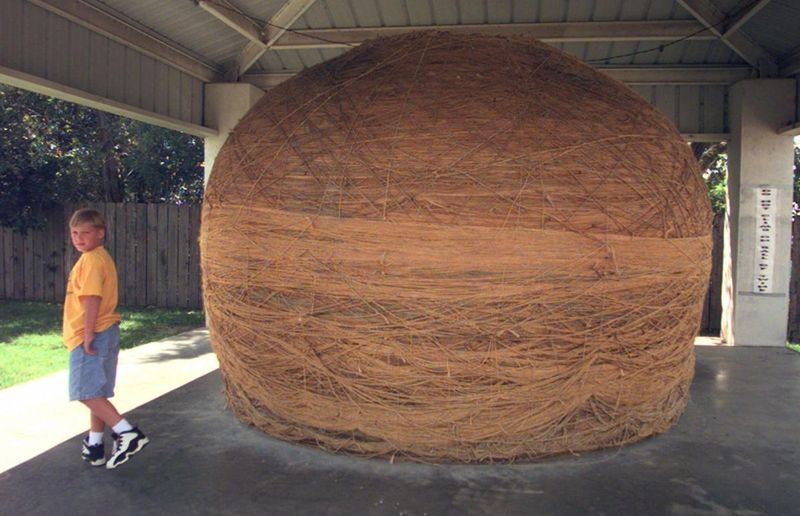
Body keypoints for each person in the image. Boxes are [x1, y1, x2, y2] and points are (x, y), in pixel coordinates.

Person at [64, 208, 149, 469]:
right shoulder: (99, 257)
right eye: (75, 233)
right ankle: (96, 444)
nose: (79, 238)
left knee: (85, 392)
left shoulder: (90, 260)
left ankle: (128, 433)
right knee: (97, 392)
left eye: (86, 233)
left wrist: (88, 335)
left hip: (92, 333)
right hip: (107, 330)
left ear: (100, 233)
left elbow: (91, 299)